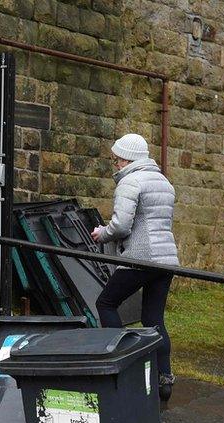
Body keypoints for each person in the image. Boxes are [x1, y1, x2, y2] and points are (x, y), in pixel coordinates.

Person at [90, 133, 179, 402]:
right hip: (166, 260)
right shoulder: (163, 181)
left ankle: (122, 365)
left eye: (116, 159)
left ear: (126, 159)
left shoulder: (130, 181)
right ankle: (164, 380)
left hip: (140, 258)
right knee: (153, 320)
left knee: (105, 303)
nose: (114, 164)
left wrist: (101, 233)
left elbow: (121, 226)